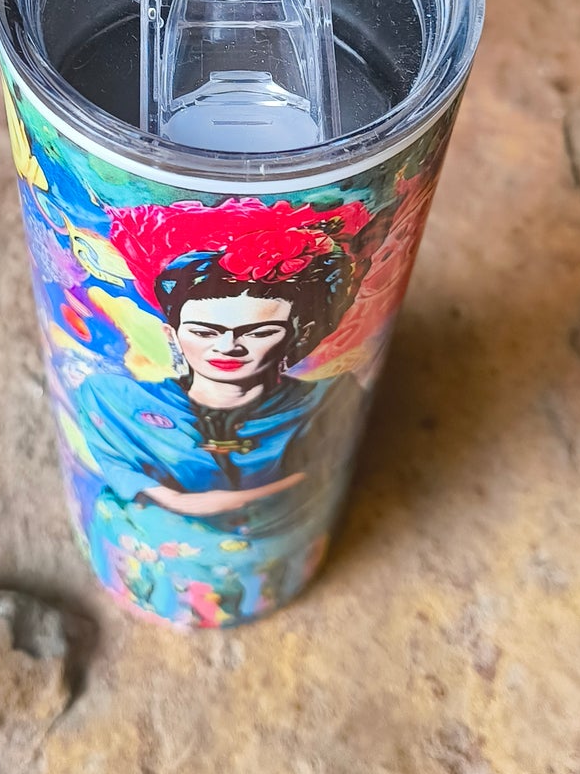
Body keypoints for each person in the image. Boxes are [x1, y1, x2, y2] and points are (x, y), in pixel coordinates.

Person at [74, 199, 373, 625]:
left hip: (282, 560)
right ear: (173, 334)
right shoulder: (116, 403)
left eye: (260, 332)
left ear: (296, 334)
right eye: (204, 331)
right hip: (149, 572)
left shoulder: (327, 399)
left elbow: (320, 473)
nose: (228, 347)